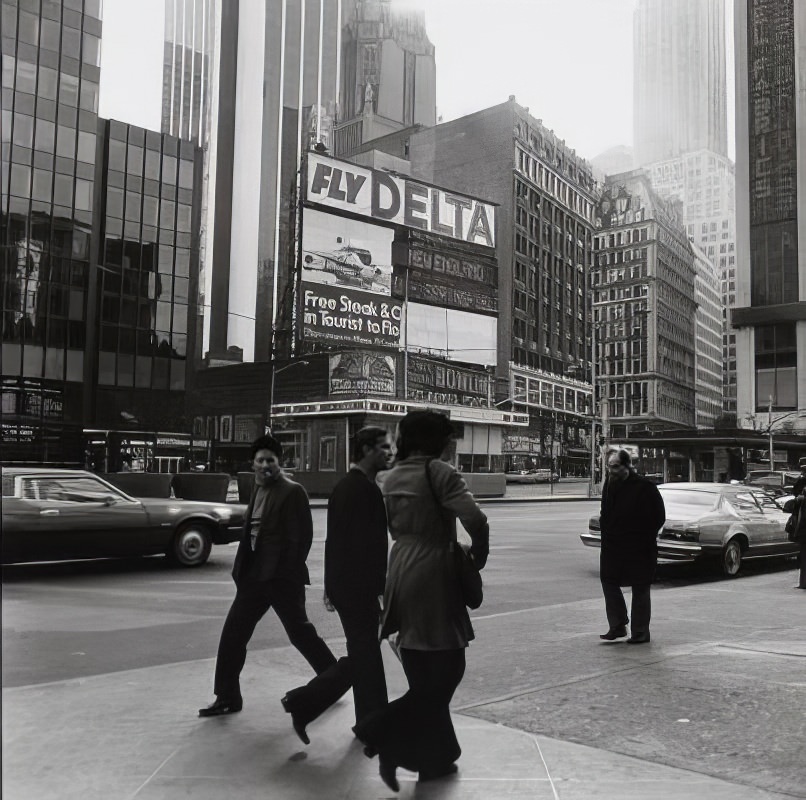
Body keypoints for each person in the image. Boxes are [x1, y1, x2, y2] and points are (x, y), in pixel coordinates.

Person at [354, 410, 489, 792]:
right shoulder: (439, 472)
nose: (452, 445)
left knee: (419, 661)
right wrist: (477, 555)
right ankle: (379, 731)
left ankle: (436, 758)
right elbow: (476, 520)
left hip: (401, 568)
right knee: (448, 668)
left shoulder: (388, 476)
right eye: (448, 438)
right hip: (434, 569)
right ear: (433, 441)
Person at [198, 434, 338, 717]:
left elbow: (302, 539)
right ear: (253, 463)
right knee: (233, 637)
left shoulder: (292, 491)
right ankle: (227, 697)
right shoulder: (258, 489)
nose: (264, 466)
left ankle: (334, 680)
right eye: (260, 461)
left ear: (280, 463)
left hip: (281, 579)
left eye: (270, 461)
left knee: (300, 634)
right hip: (253, 579)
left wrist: (285, 573)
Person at [280, 427, 393, 743]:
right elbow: (366, 548)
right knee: (365, 656)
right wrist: (380, 591)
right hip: (359, 589)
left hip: (348, 586)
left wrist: (331, 586)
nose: (389, 453)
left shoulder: (347, 487)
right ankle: (306, 703)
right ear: (368, 449)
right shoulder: (363, 490)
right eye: (384, 447)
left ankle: (368, 722)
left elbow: (335, 541)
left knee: (365, 656)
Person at [598, 448, 665, 645]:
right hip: (613, 547)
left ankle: (640, 632)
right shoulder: (609, 485)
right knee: (608, 581)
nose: (611, 471)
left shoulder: (646, 487)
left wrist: (643, 538)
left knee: (640, 588)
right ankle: (617, 625)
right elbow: (605, 513)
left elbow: (658, 517)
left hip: (639, 548)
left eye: (616, 467)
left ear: (628, 466)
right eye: (609, 467)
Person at [784, 487, 806, 590]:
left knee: (804, 559)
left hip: (803, 534)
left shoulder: (800, 501)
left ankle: (803, 583)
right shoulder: (801, 501)